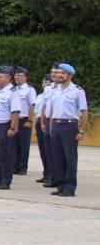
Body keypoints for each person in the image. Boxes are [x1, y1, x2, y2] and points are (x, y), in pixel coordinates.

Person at [46, 62, 88, 197]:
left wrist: (81, 130)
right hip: (57, 125)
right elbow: (52, 111)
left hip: (70, 126)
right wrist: (52, 128)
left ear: (70, 76)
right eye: (58, 73)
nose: (59, 75)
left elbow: (84, 111)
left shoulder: (77, 91)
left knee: (69, 157)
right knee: (57, 157)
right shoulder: (55, 90)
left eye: (62, 73)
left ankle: (70, 187)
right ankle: (60, 185)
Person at [12, 67, 36, 176]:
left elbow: (32, 105)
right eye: (16, 75)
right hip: (14, 120)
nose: (17, 77)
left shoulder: (29, 90)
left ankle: (22, 167)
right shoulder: (12, 89)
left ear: (25, 77)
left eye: (20, 75)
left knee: (23, 144)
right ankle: (14, 165)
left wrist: (30, 120)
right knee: (13, 144)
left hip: (24, 119)